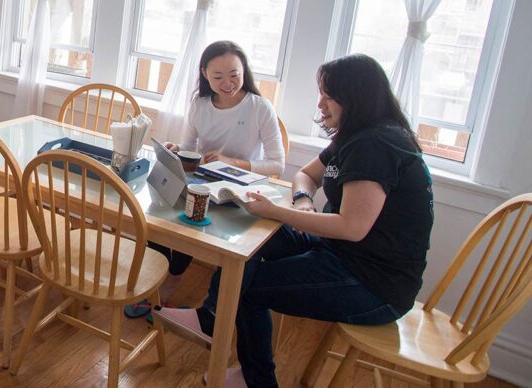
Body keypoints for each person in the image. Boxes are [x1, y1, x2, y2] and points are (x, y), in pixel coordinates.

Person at [155, 53, 434, 387]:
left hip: (374, 284)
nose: (321, 103)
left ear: (356, 98)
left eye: (329, 96)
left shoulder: (376, 146)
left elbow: (353, 228)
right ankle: (211, 315)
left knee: (246, 288)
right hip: (340, 252)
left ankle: (256, 378)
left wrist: (277, 211)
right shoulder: (356, 136)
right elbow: (305, 174)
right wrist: (302, 203)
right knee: (254, 233)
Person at [151, 40, 286, 277]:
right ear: (204, 74)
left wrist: (232, 162)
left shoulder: (259, 108)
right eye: (218, 76)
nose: (227, 83)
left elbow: (277, 164)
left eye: (234, 74)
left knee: (188, 219)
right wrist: (177, 150)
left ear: (244, 70)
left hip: (239, 193)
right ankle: (161, 276)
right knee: (155, 213)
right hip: (202, 184)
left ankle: (170, 280)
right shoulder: (199, 104)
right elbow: (190, 148)